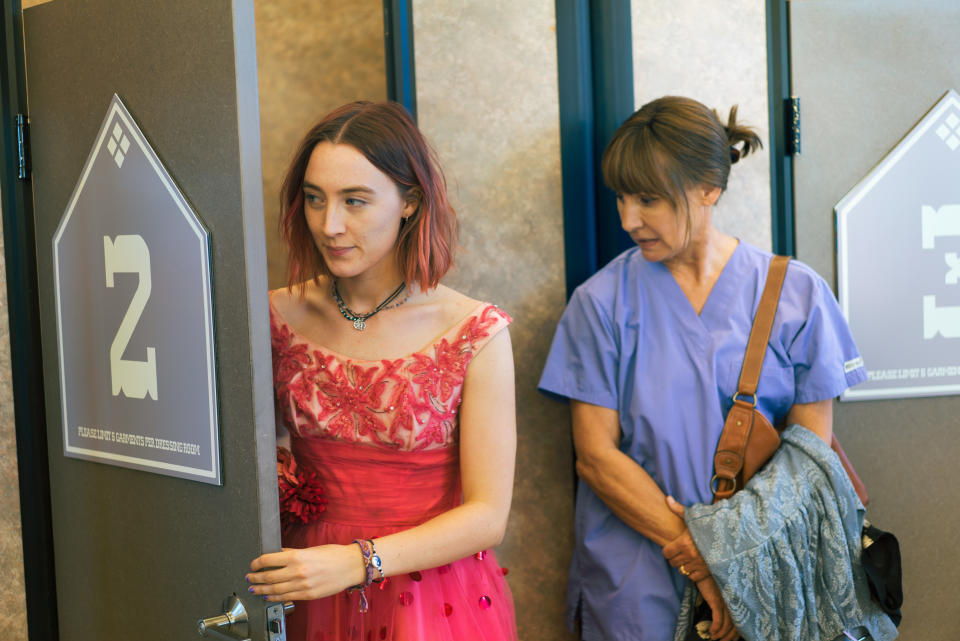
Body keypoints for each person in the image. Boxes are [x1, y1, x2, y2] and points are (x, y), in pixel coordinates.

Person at [538, 96, 868, 641]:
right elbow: (596, 457)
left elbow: (809, 460)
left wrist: (730, 558)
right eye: (621, 197)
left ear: (709, 189)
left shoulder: (796, 293)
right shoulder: (600, 304)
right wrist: (704, 560)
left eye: (649, 198)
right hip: (637, 575)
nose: (628, 219)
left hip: (765, 572)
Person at [247, 101, 518, 641]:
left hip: (429, 593)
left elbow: (489, 515)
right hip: (303, 578)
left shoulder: (474, 332)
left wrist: (356, 562)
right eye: (314, 199)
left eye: (355, 201)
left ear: (410, 202)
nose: (331, 225)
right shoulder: (273, 314)